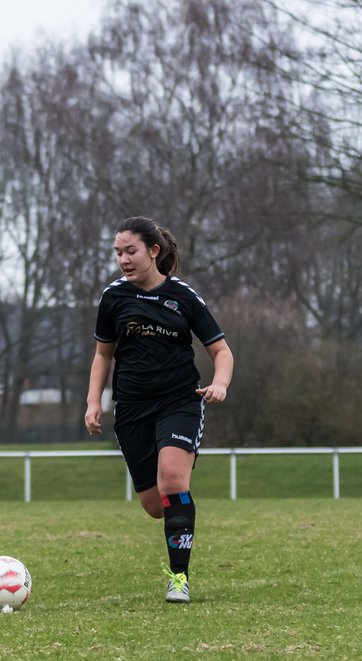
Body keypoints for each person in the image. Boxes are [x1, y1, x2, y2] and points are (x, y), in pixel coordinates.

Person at [84, 216, 234, 603]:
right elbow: (103, 355)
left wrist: (219, 384)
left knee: (172, 480)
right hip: (132, 409)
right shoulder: (113, 297)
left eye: (130, 251)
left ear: (154, 251)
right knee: (155, 506)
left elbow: (221, 351)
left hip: (180, 401)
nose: (123, 260)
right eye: (118, 252)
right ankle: (177, 509)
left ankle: (178, 579)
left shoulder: (183, 297)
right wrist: (92, 402)